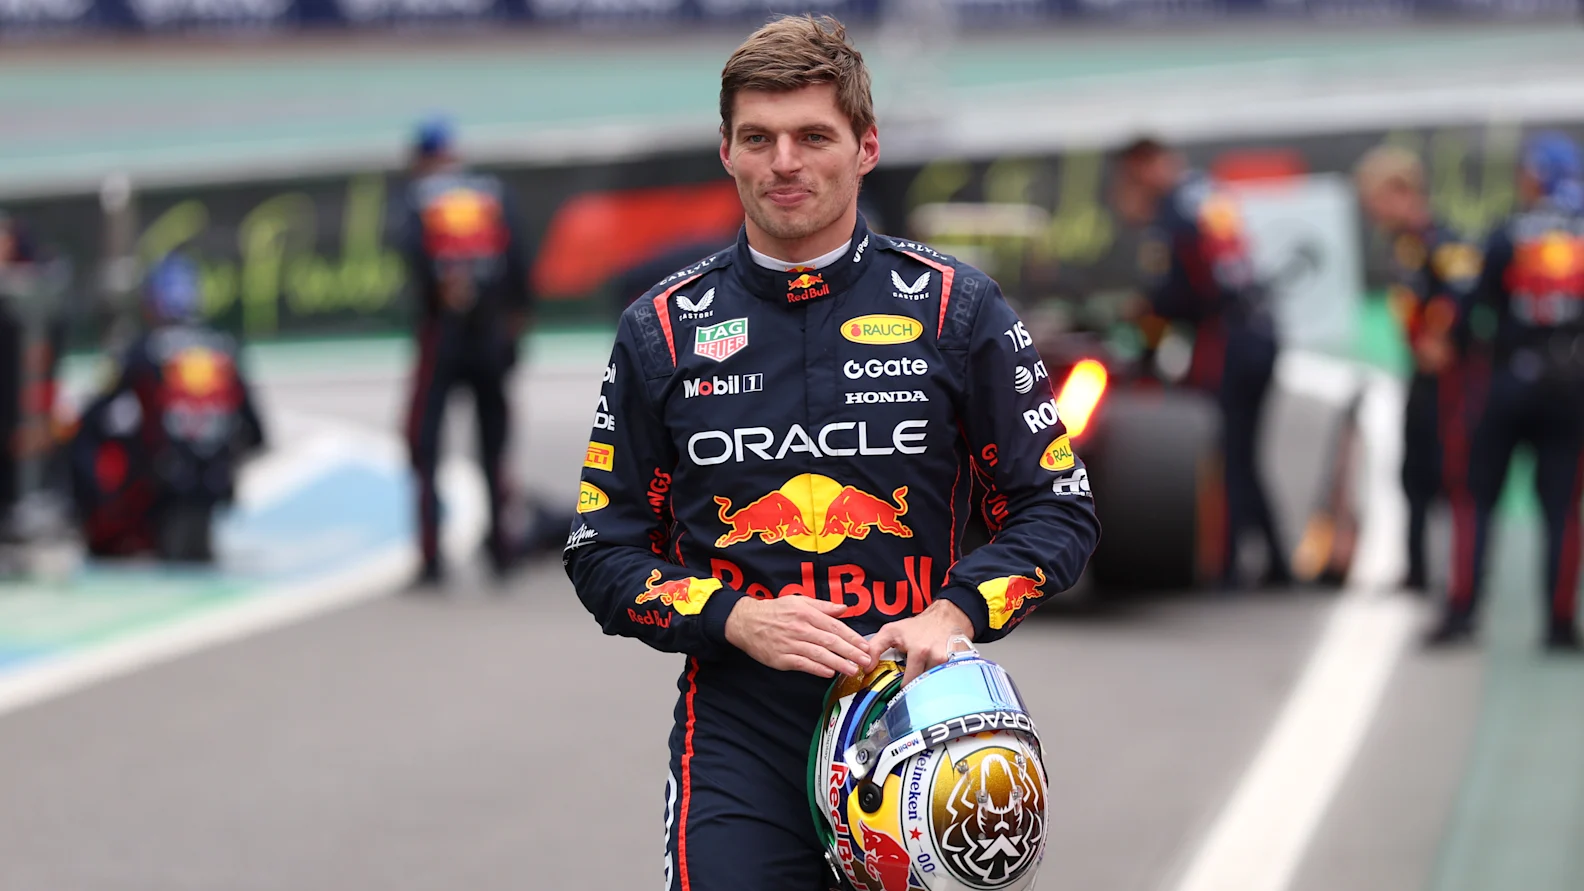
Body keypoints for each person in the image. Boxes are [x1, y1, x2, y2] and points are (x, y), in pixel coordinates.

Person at [561, 15, 1100, 889]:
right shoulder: (661, 330)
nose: (785, 162)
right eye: (759, 138)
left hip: (922, 721)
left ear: (867, 147)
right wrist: (733, 616)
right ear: (726, 151)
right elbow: (602, 549)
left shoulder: (956, 310)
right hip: (741, 732)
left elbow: (1059, 508)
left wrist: (955, 612)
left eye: (814, 136)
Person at [1109, 137, 1291, 589]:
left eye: (1133, 176)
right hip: (1259, 331)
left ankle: (1225, 565)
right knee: (1244, 451)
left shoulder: (1174, 212)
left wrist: (1143, 313)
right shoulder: (1208, 192)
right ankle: (1277, 562)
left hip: (1226, 338)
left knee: (1220, 451)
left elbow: (1178, 293)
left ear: (1146, 165)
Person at [1428, 132, 1584, 651]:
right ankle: (1559, 625)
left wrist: (1461, 350)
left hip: (1508, 384)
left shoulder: (1508, 231)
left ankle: (1462, 612)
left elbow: (1472, 311)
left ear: (1537, 175)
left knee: (1476, 498)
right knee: (1563, 509)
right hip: (1571, 389)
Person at [400, 116, 534, 586]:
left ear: (420, 158)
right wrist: (513, 331)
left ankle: (431, 559)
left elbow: (412, 258)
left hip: (443, 334)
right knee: (494, 446)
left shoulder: (419, 197)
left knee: (424, 443)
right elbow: (519, 262)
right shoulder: (491, 193)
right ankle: (501, 551)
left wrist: (437, 299)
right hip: (491, 333)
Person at [70, 253, 265, 560]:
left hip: (163, 478)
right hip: (215, 477)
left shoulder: (147, 348)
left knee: (92, 444)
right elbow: (256, 430)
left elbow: (97, 409)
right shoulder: (224, 347)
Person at [1354, 145, 1483, 594]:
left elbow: (1465, 291)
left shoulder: (1440, 240)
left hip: (1451, 383)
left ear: (1401, 192)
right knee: (1413, 474)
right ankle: (1418, 570)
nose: (1372, 210)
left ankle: (1458, 581)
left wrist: (1442, 336)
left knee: (1452, 476)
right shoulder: (1404, 245)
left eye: (1376, 198)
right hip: (1422, 378)